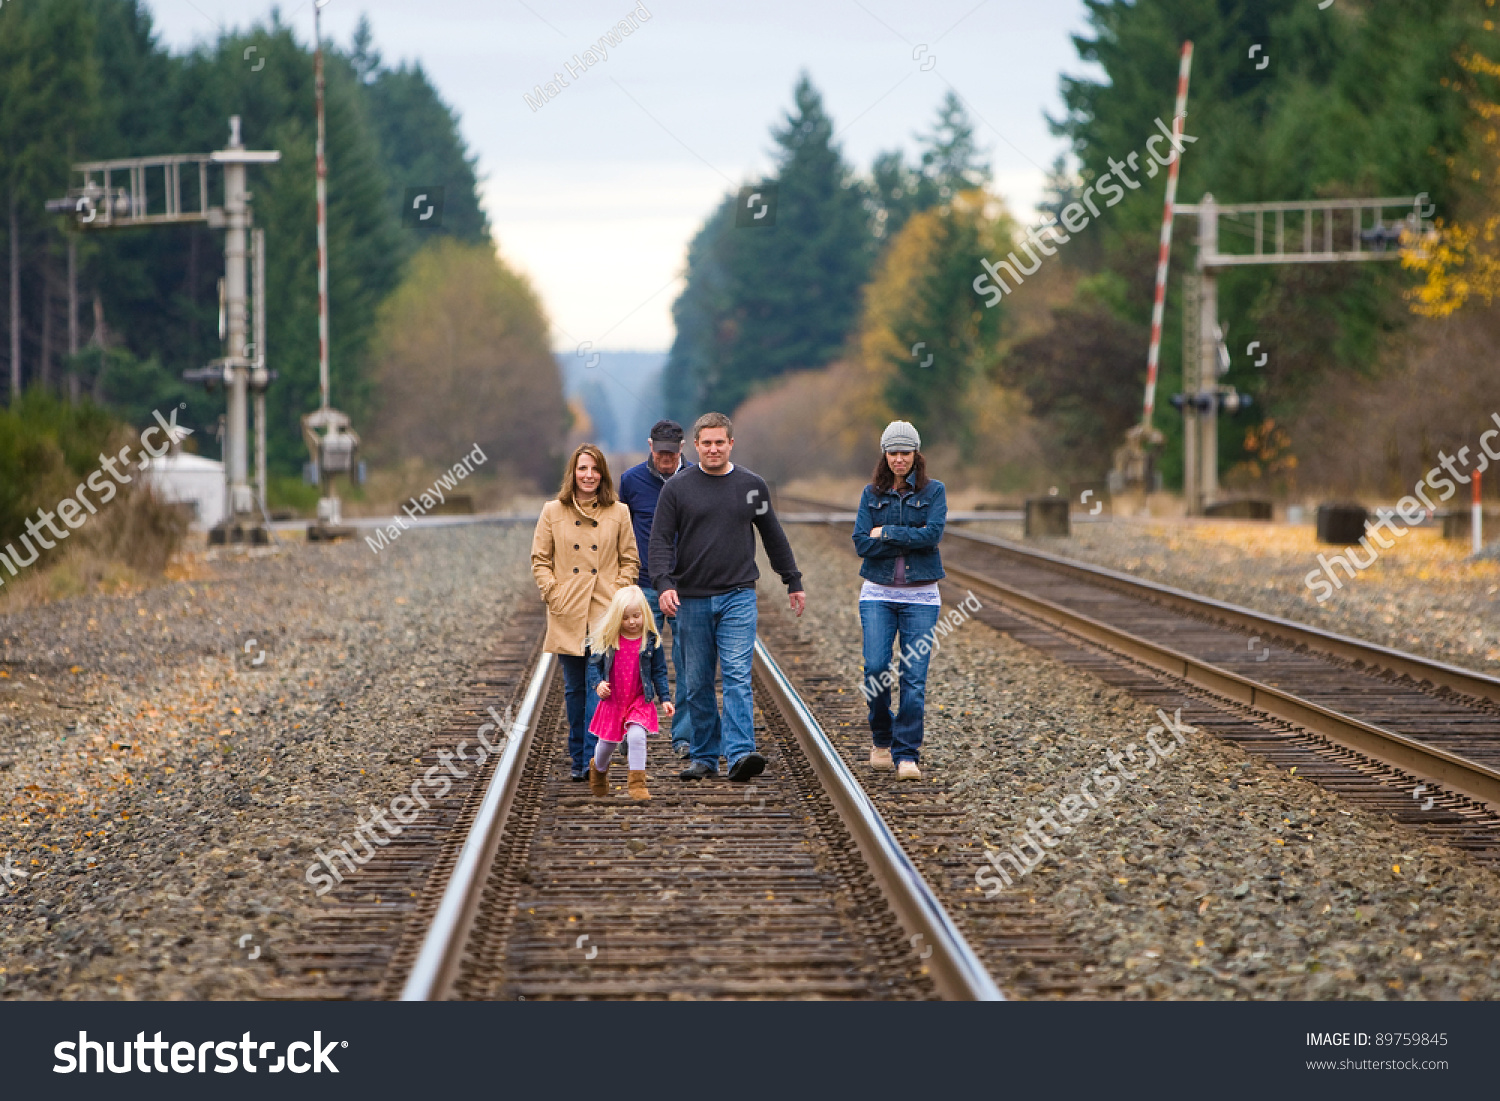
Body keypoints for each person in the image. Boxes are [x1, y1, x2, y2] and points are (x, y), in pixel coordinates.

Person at [650, 411, 805, 783]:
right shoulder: (677, 488)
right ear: (696, 446)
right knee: (699, 680)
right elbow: (658, 542)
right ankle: (704, 756)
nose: (714, 448)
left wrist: (792, 580)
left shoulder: (752, 485)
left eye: (720, 442)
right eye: (707, 443)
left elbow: (773, 536)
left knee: (736, 675)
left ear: (731, 444)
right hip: (691, 599)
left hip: (738, 596)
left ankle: (740, 753)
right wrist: (663, 584)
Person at [531, 443, 639, 781]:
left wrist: (617, 595)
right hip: (567, 611)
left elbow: (630, 560)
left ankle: (594, 761)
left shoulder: (618, 512)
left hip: (604, 614)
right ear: (573, 473)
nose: (588, 475)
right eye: (582, 469)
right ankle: (578, 760)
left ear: (603, 474)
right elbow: (540, 559)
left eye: (594, 469)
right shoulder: (552, 511)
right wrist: (554, 593)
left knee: (600, 686)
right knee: (574, 690)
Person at [851, 420, 947, 780]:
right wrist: (912, 536)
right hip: (877, 593)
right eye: (892, 453)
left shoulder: (934, 492)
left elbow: (933, 534)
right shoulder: (870, 494)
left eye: (905, 453)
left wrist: (887, 532)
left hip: (922, 597)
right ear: (885, 455)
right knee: (876, 669)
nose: (898, 459)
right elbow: (861, 542)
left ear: (916, 454)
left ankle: (906, 754)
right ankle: (882, 738)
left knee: (914, 679)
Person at [617, 419, 695, 759]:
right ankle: (627, 729)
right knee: (633, 662)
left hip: (686, 585)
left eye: (672, 452)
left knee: (688, 662)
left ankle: (685, 738)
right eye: (660, 451)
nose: (665, 458)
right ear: (650, 446)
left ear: (682, 449)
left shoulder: (697, 479)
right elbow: (621, 530)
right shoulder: (631, 481)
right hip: (644, 584)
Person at [587, 585, 674, 801]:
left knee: (636, 736)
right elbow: (592, 666)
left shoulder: (651, 640)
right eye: (626, 618)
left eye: (637, 616)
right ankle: (597, 769)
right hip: (613, 701)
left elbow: (659, 671)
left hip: (638, 699)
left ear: (645, 613)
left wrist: (665, 698)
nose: (632, 622)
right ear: (617, 618)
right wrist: (598, 684)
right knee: (606, 745)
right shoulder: (609, 639)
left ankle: (637, 784)